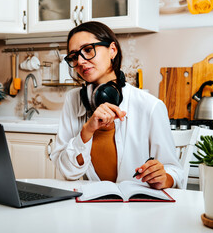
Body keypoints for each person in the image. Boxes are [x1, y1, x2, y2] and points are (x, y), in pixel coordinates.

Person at [50, 21, 183, 189]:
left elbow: (174, 171)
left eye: (88, 50)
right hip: (89, 205)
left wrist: (165, 177)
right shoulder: (73, 100)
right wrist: (86, 132)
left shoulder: (150, 106)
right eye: (74, 56)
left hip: (137, 208)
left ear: (112, 50)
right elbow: (68, 172)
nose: (81, 61)